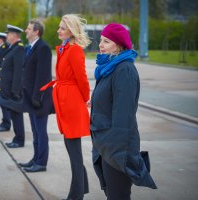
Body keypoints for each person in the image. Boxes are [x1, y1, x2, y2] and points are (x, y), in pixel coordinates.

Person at [90, 23, 157, 200]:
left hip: (116, 146)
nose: (100, 45)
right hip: (105, 143)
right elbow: (111, 98)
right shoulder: (110, 67)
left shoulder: (124, 69)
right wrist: (96, 102)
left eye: (106, 41)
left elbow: (124, 114)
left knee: (118, 195)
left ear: (119, 45)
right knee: (111, 192)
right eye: (101, 40)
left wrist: (115, 150)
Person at [40, 14, 90, 200]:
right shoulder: (65, 48)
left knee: (74, 152)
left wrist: (86, 98)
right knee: (72, 150)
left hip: (72, 104)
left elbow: (82, 78)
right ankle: (81, 188)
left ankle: (75, 196)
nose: (58, 30)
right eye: (59, 27)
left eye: (62, 27)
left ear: (71, 30)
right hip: (65, 102)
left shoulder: (75, 50)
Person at [19, 19, 54, 173]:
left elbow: (43, 76)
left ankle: (41, 163)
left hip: (39, 99)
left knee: (40, 132)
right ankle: (35, 158)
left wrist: (37, 98)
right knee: (35, 132)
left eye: (28, 29)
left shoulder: (43, 48)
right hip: (30, 97)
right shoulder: (31, 47)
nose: (26, 31)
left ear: (36, 32)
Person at [0, 24, 25, 148]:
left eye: (8, 34)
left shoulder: (19, 49)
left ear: (14, 35)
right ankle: (17, 138)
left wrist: (15, 91)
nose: (6, 36)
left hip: (14, 90)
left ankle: (19, 140)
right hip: (9, 89)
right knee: (13, 115)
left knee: (17, 116)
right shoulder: (13, 48)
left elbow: (19, 71)